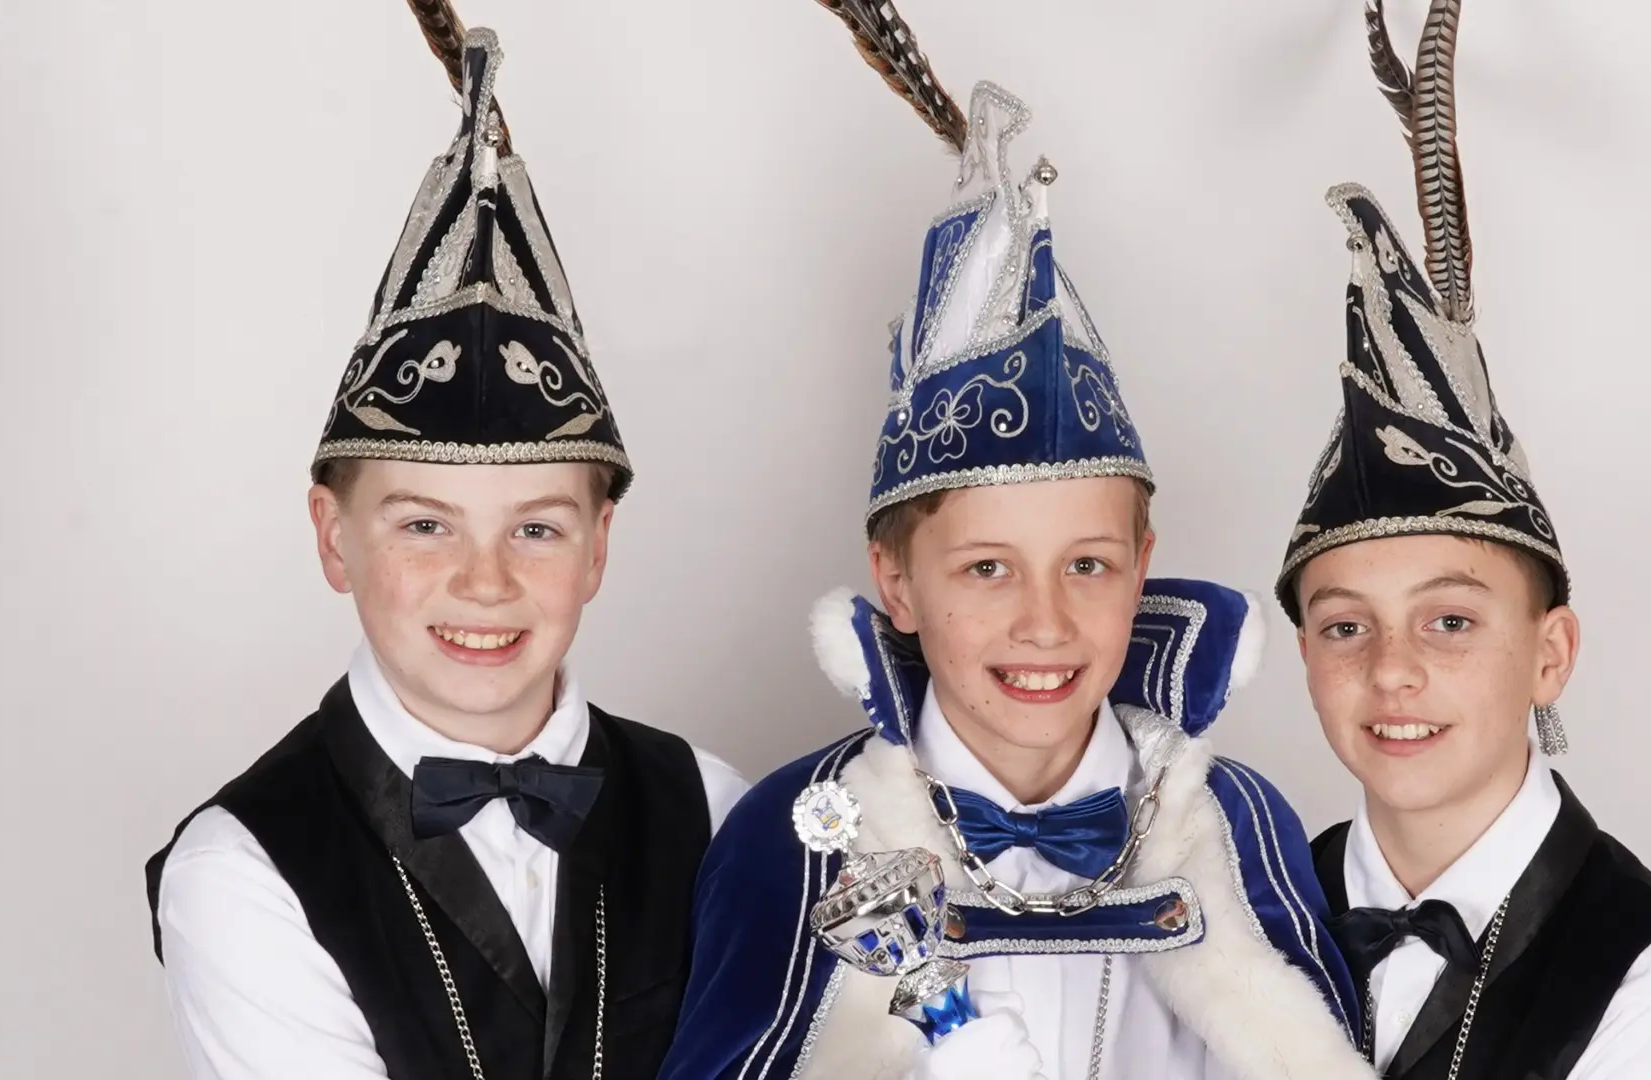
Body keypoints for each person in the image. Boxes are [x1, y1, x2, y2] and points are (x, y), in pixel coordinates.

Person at [656, 4, 1374, 1079]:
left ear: (1142, 568)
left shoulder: (1236, 825)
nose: (1045, 622)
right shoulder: (796, 834)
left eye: (1088, 565)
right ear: (896, 582)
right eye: (987, 568)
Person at [143, 13, 746, 1080]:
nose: (485, 581)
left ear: (598, 547)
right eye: (424, 525)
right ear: (334, 537)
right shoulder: (242, 868)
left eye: (537, 528)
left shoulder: (712, 804)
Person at [1275, 4, 1651, 1078]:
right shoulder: (1249, 911)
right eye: (1346, 626)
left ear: (1551, 654)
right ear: (1305, 656)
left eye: (1450, 621)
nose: (1392, 671)